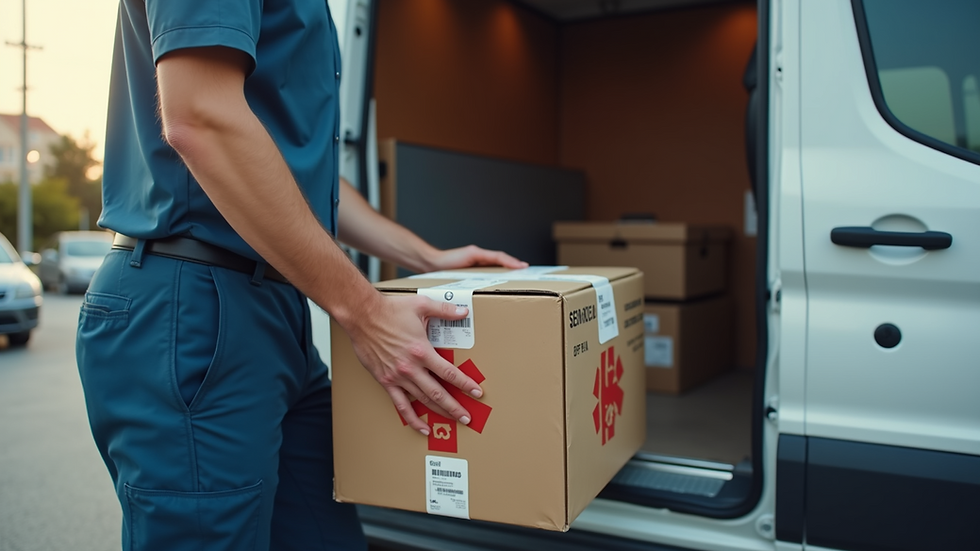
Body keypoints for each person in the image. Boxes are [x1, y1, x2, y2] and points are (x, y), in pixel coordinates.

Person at [75, 2, 526, 550]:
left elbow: (293, 180)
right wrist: (365, 311)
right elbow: (200, 117)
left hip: (273, 308)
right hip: (191, 304)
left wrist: (427, 258)